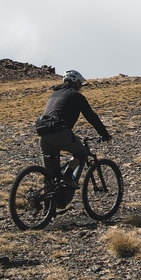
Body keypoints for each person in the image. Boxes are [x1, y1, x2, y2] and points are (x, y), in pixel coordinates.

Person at [35, 70, 112, 209]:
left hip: (43, 133)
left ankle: (48, 208)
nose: (81, 86)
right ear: (75, 82)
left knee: (51, 176)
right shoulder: (76, 95)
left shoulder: (54, 94)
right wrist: (104, 134)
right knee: (81, 152)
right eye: (80, 83)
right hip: (58, 131)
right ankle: (68, 177)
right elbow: (91, 116)